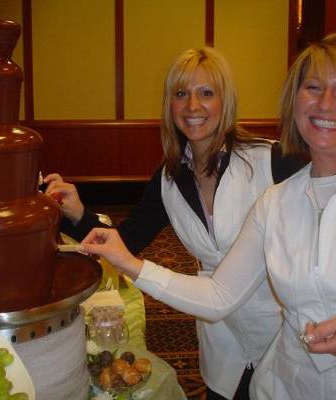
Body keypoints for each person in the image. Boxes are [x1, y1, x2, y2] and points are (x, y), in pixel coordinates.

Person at [80, 33, 336, 399]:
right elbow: (219, 295)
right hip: (285, 383)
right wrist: (127, 261)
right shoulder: (277, 201)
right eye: (313, 87)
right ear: (294, 100)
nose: (326, 103)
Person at [43, 47, 306, 399]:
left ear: (225, 101)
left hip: (283, 335)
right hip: (222, 340)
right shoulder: (168, 179)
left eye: (206, 93)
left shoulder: (271, 161)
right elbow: (127, 241)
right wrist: (77, 214)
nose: (192, 106)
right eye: (181, 94)